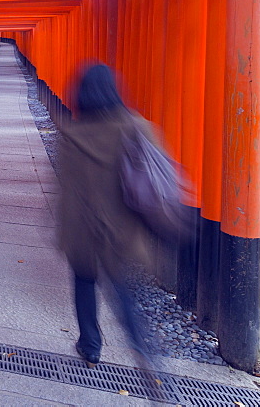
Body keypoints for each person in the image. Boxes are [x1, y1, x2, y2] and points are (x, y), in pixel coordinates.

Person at [56, 63, 155, 369]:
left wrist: (64, 230)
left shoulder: (72, 134)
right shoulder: (135, 128)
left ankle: (91, 345)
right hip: (121, 225)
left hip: (83, 225)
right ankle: (140, 342)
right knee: (121, 284)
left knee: (84, 282)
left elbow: (66, 188)